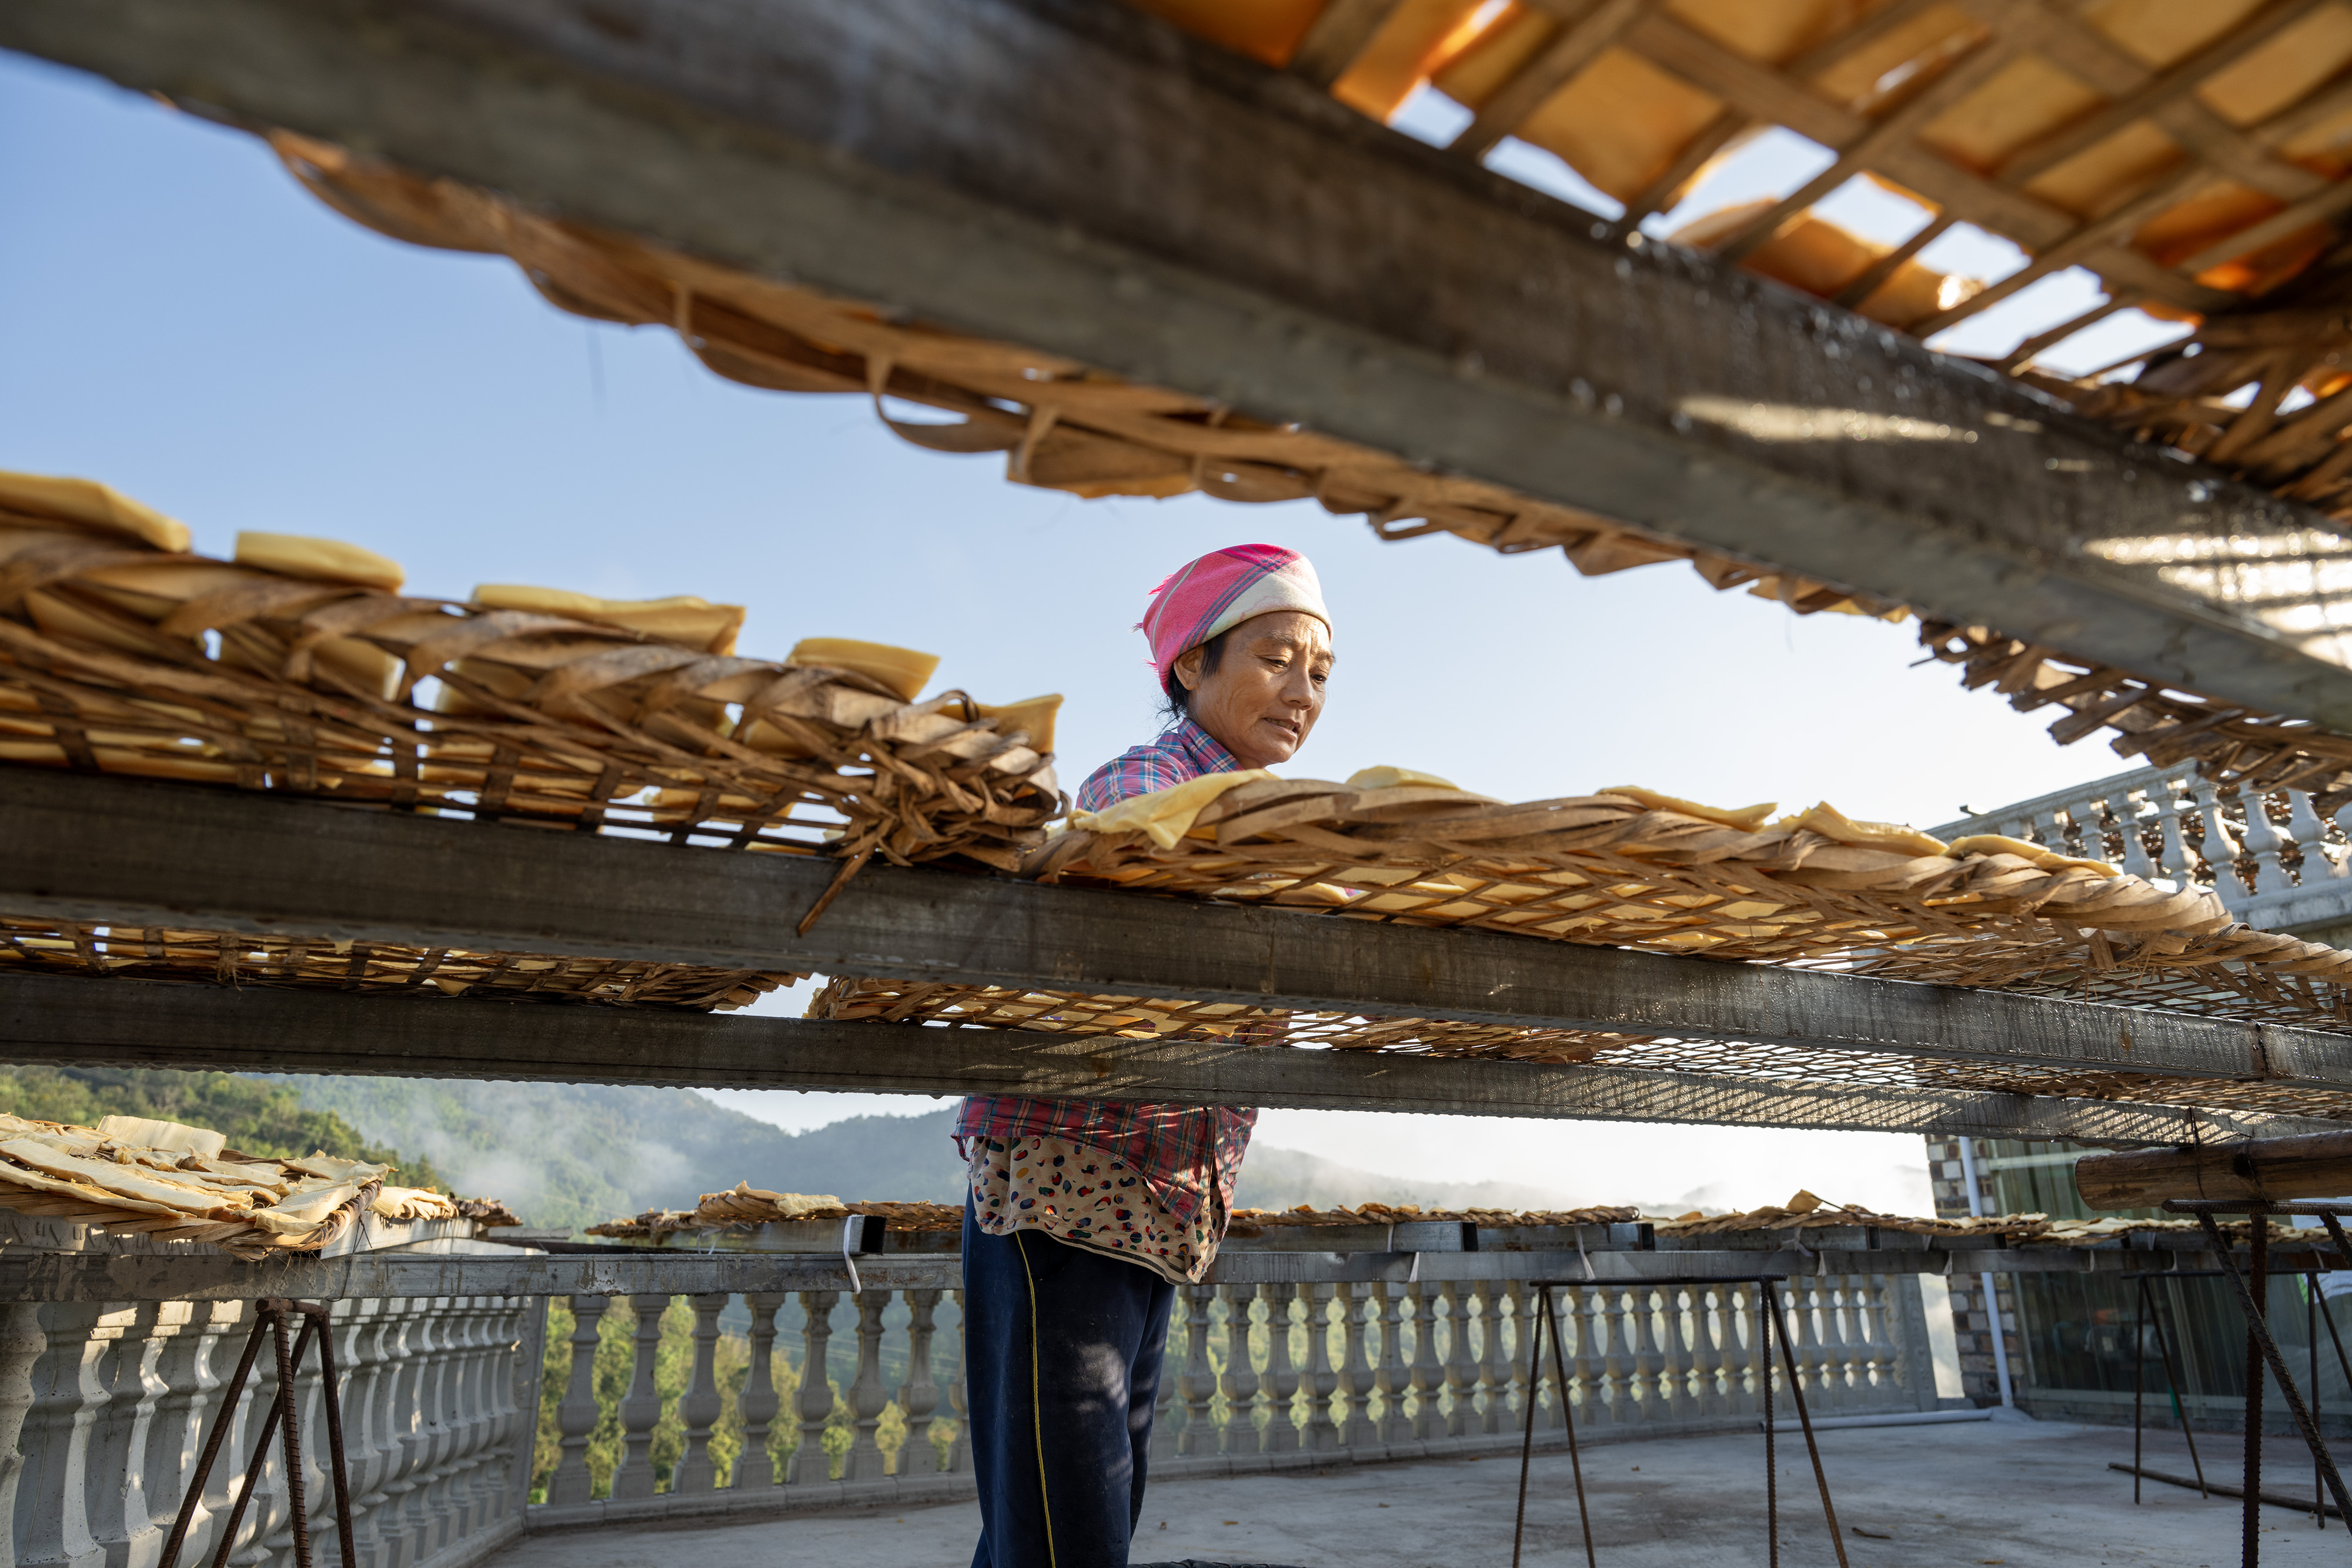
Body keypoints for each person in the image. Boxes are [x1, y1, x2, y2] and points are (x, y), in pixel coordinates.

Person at [957, 544, 1334, 1568]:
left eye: (1320, 673)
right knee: (1062, 1538)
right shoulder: (1151, 782)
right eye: (1276, 657)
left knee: (1086, 1526)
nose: (1303, 691)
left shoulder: (1264, 818)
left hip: (1150, 1214)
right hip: (1068, 1196)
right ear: (1190, 668)